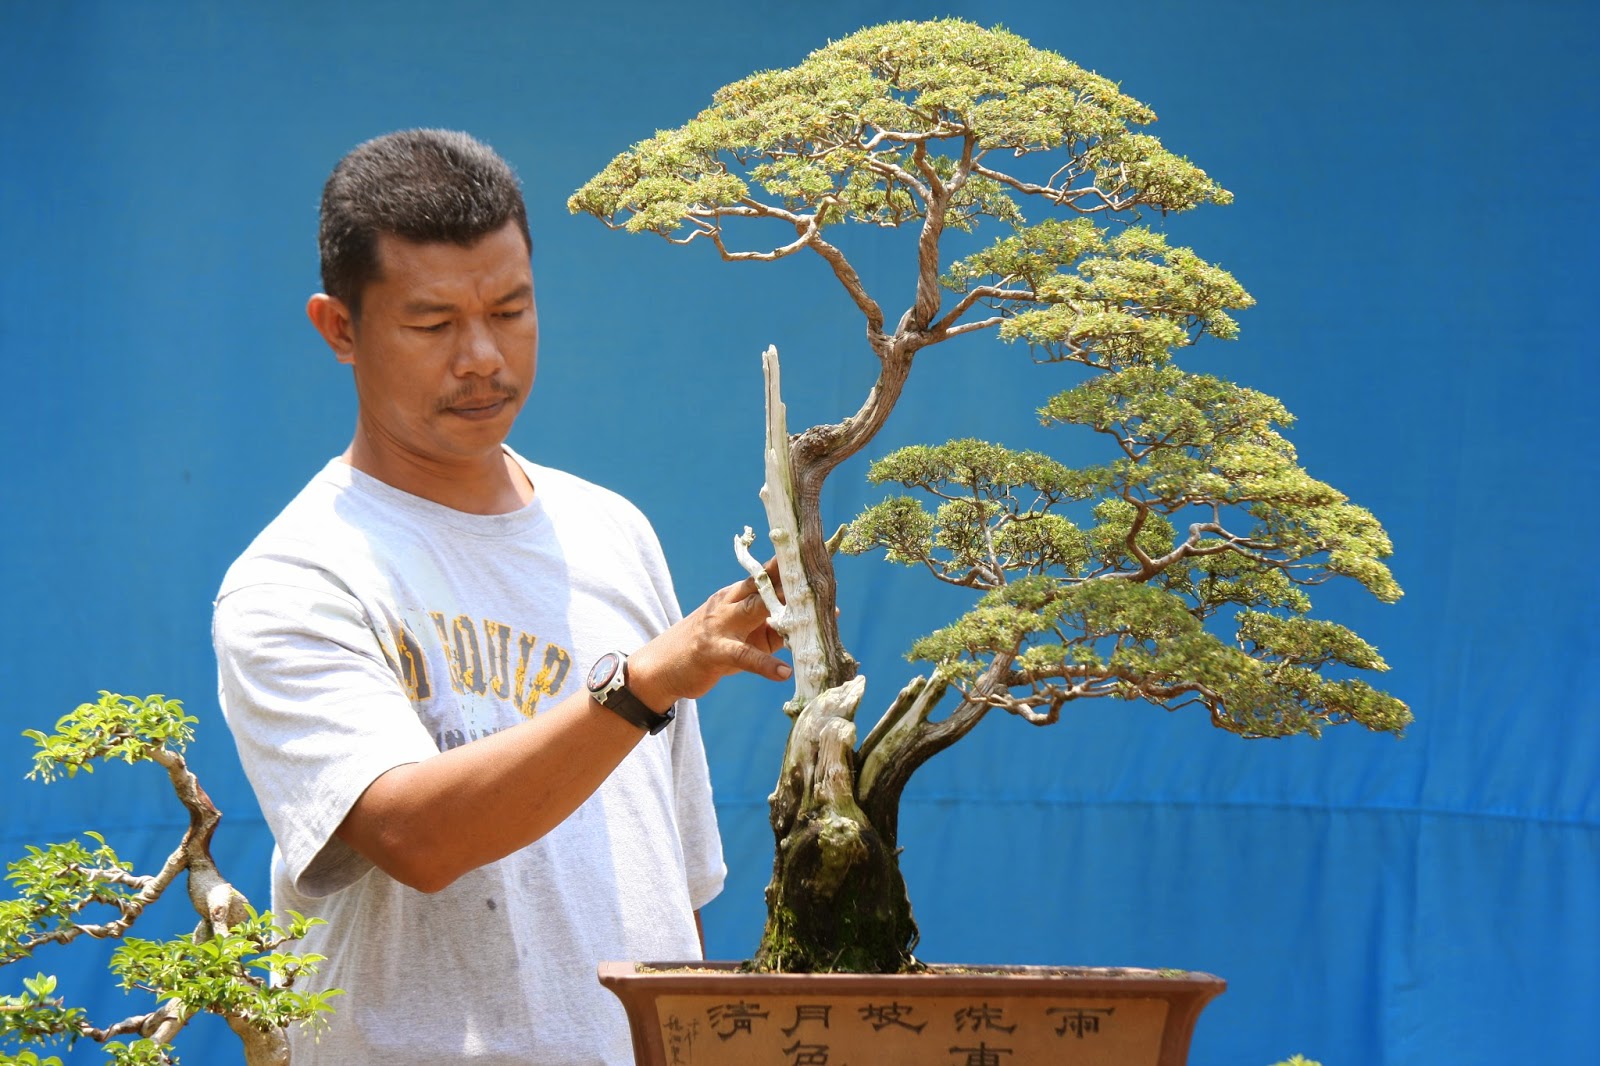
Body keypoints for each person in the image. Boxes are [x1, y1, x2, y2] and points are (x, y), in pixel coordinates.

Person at [213, 128, 789, 1065]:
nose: (482, 357)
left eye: (512, 310)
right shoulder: (300, 576)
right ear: (340, 328)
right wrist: (639, 686)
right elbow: (414, 836)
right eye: (433, 324)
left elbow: (670, 884)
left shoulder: (613, 532)